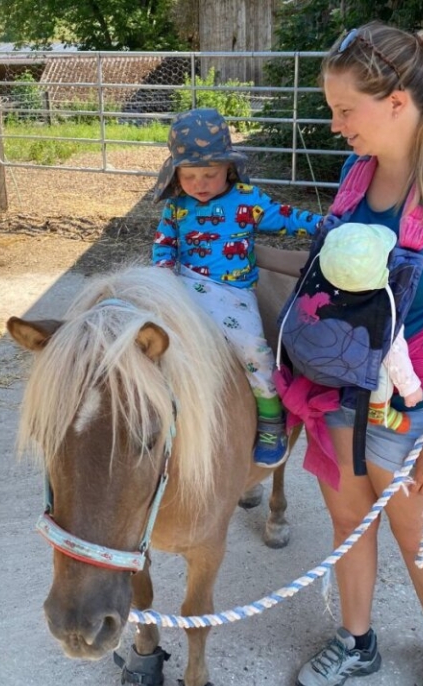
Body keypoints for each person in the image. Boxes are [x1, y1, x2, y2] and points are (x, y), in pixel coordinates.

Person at [259, 22, 423, 686]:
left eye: (346, 111)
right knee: (346, 523)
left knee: (414, 534)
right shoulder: (358, 174)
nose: (335, 126)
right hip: (342, 396)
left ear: (399, 102)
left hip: (414, 411)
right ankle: (357, 639)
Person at [152, 107, 322, 468]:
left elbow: (285, 218)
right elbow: (164, 244)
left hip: (231, 292)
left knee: (253, 350)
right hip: (181, 285)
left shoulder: (247, 200)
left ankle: (270, 418)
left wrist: (324, 223)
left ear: (229, 169)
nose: (199, 183)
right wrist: (163, 274)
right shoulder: (176, 207)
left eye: (209, 174)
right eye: (189, 175)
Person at [317, 221, 423, 433]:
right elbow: (395, 353)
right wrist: (410, 388)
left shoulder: (327, 291)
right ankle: (378, 411)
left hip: (333, 355)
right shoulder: (383, 309)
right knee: (381, 366)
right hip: (361, 363)